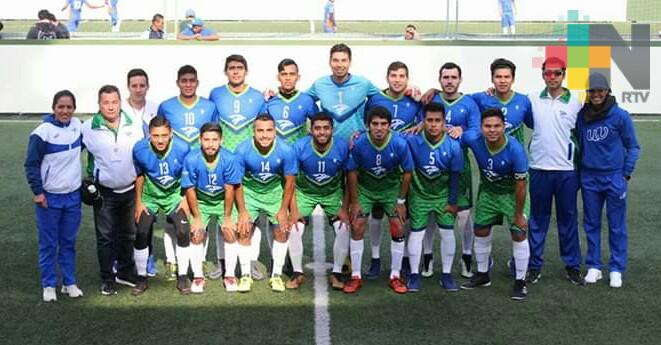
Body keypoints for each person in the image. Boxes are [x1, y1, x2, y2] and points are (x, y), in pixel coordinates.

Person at [576, 72, 640, 288]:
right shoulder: (582, 116)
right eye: (592, 91)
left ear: (607, 92)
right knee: (591, 223)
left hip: (614, 177)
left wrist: (626, 173)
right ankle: (594, 266)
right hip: (589, 177)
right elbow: (579, 144)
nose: (596, 94)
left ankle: (616, 268)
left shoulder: (620, 116)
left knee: (616, 225)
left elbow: (633, 146)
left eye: (600, 90)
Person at [525, 57, 585, 285]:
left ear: (564, 74)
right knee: (537, 220)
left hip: (566, 171)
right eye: (548, 73)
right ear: (542, 74)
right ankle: (533, 265)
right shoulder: (532, 100)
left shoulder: (576, 102)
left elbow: (581, 133)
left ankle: (572, 265)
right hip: (539, 169)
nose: (552, 77)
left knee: (568, 219)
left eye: (556, 73)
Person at [460, 108, 530, 301]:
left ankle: (520, 281)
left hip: (512, 193)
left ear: (504, 127)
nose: (492, 130)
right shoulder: (473, 138)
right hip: (489, 192)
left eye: (496, 126)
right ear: (481, 128)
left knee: (518, 232)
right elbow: (458, 139)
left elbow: (521, 185)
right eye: (488, 126)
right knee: (480, 230)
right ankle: (483, 274)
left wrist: (518, 214)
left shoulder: (515, 149)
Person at [82, 85, 144, 295]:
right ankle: (107, 278)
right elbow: (69, 147)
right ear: (99, 104)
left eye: (114, 102)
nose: (110, 106)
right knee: (106, 237)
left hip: (129, 189)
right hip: (104, 192)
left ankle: (126, 272)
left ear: (120, 102)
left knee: (128, 234)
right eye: (106, 102)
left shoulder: (134, 124)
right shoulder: (88, 127)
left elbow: (144, 153)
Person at [209, 54, 266, 281]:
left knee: (251, 215)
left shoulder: (258, 96)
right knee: (224, 213)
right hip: (223, 161)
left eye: (239, 68)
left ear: (246, 71)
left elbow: (264, 126)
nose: (235, 72)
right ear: (226, 71)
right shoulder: (216, 94)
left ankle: (250, 260)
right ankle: (223, 262)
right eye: (231, 68)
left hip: (249, 162)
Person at [345, 106, 414, 294]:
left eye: (383, 124)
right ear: (368, 126)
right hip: (365, 190)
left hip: (390, 191)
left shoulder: (399, 143)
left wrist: (400, 202)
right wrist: (355, 201)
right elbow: (351, 172)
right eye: (375, 124)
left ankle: (395, 275)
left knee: (398, 226)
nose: (379, 128)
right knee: (357, 225)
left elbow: (408, 173)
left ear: (390, 126)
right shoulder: (360, 144)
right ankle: (356, 276)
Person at [363, 61, 422, 280]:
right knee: (377, 212)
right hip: (380, 164)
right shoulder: (376, 98)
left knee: (403, 213)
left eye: (402, 76)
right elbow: (365, 123)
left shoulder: (415, 98)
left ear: (408, 78)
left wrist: (422, 124)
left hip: (405, 163)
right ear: (387, 78)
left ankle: (405, 258)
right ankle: (376, 259)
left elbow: (429, 114)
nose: (397, 80)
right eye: (393, 75)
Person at [25, 90, 84, 302]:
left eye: (69, 107)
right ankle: (49, 285)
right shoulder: (42, 132)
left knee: (68, 242)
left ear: (74, 109)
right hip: (49, 199)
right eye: (61, 107)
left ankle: (69, 282)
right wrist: (38, 192)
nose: (65, 111)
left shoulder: (79, 126)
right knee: (49, 243)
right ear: (53, 108)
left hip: (72, 198)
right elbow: (31, 164)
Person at [423, 62, 481, 279]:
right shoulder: (432, 99)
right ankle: (427, 258)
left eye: (453, 77)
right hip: (431, 166)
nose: (449, 81)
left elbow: (476, 131)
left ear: (460, 79)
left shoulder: (469, 103)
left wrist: (461, 130)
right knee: (429, 213)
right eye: (445, 77)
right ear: (439, 80)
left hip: (460, 166)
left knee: (463, 215)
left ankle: (466, 257)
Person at [234, 114, 298, 292]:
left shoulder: (286, 150)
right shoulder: (242, 149)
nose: (264, 135)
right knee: (244, 230)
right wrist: (243, 211)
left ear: (275, 131)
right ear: (253, 132)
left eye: (269, 130)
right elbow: (237, 182)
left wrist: (284, 209)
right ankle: (245, 275)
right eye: (260, 130)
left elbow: (290, 181)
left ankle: (276, 275)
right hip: (250, 194)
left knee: (281, 232)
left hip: (274, 194)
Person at [405, 102, 464, 292]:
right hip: (419, 195)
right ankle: (414, 274)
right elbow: (388, 135)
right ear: (423, 121)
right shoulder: (412, 139)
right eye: (429, 120)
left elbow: (455, 176)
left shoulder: (453, 146)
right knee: (416, 233)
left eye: (437, 120)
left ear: (444, 122)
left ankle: (446, 275)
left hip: (443, 197)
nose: (433, 124)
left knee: (447, 232)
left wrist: (453, 202)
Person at [290, 112, 351, 290]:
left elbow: (349, 178)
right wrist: (293, 210)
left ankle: (337, 273)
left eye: (326, 128)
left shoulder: (342, 146)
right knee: (295, 227)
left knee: (343, 226)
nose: (322, 132)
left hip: (332, 194)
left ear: (332, 129)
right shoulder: (299, 146)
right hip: (304, 193)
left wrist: (345, 207)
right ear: (311, 130)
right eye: (317, 128)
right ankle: (297, 273)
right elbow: (290, 180)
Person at [131, 116, 190, 294]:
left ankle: (182, 276)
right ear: (149, 135)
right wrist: (139, 202)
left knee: (182, 231)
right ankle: (141, 278)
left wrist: (185, 200)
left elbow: (188, 176)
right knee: (141, 231)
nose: (160, 140)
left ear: (171, 134)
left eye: (164, 135)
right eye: (156, 136)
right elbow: (139, 175)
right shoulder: (140, 149)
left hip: (175, 195)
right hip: (151, 196)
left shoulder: (182, 148)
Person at [182, 123, 243, 294]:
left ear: (221, 140)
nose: (210, 144)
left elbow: (230, 189)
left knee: (230, 232)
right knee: (196, 234)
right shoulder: (191, 159)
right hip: (201, 201)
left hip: (223, 201)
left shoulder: (229, 158)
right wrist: (197, 218)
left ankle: (230, 275)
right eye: (206, 140)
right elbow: (190, 189)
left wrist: (228, 217)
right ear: (200, 140)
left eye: (214, 140)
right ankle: (198, 276)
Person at [123, 68, 162, 278]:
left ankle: (148, 259)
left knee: (145, 221)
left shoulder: (156, 108)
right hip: (123, 174)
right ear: (128, 87)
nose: (138, 89)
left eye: (142, 85)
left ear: (148, 86)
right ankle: (123, 260)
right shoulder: (119, 109)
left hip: (148, 176)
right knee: (125, 223)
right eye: (134, 85)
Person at [307, 43, 380, 140]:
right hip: (330, 145)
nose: (339, 65)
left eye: (344, 60)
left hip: (357, 142)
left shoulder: (363, 83)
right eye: (335, 60)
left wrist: (406, 92)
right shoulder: (319, 84)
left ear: (350, 62)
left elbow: (385, 96)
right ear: (330, 62)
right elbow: (300, 99)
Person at [471, 58, 532, 145]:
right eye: (498, 77)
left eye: (507, 77)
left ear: (513, 79)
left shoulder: (523, 101)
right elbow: (460, 102)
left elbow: (534, 126)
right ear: (492, 79)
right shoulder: (481, 98)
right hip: (489, 156)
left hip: (515, 156)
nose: (502, 81)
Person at [157, 65, 219, 148]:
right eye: (184, 81)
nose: (188, 85)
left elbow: (216, 135)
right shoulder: (165, 106)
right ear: (177, 83)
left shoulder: (210, 106)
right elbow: (158, 134)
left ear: (197, 83)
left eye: (192, 81)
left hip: (201, 158)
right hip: (176, 157)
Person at [263, 58, 319, 144]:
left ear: (298, 77)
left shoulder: (307, 101)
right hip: (276, 153)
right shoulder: (269, 101)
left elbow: (320, 125)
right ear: (278, 77)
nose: (288, 78)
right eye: (284, 74)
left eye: (292, 74)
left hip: (299, 154)